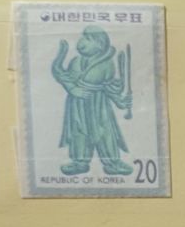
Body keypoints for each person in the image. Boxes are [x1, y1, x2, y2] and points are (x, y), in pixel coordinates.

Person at [51, 26, 133, 176]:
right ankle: (80, 162)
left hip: (98, 104)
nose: (82, 41)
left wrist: (120, 102)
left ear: (100, 44)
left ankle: (112, 163)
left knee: (104, 132)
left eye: (88, 39)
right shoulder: (76, 61)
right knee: (79, 131)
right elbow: (66, 77)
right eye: (83, 37)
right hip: (77, 104)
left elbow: (109, 87)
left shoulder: (107, 64)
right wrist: (73, 89)